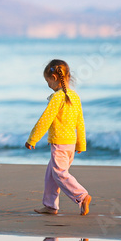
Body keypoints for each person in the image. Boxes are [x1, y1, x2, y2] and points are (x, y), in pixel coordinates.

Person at [25, 59, 92, 216]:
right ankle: (50, 206)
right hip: (70, 145)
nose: (48, 85)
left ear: (54, 78)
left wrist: (32, 139)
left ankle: (82, 195)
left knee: (59, 174)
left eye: (48, 81)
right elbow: (80, 122)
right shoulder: (75, 97)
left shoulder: (57, 97)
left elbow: (45, 119)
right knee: (51, 175)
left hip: (60, 145)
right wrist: (81, 144)